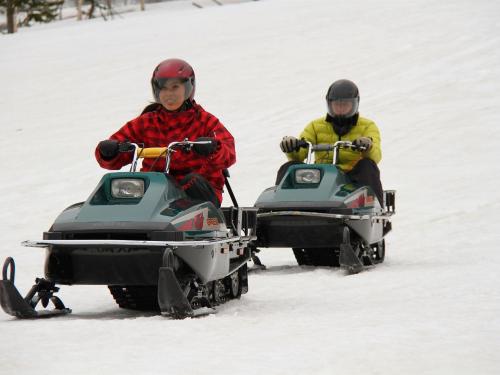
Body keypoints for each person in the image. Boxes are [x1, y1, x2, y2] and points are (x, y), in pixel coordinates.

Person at [95, 58, 235, 207]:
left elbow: (229, 152)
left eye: (175, 87)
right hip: (156, 190)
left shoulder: (205, 121)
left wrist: (214, 147)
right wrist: (109, 151)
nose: (169, 94)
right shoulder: (146, 122)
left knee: (191, 181)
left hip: (197, 191)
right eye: (163, 88)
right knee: (119, 188)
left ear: (188, 88)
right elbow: (119, 146)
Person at [278, 79, 384, 204]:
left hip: (352, 177)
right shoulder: (315, 126)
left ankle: (374, 208)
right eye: (337, 105)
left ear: (355, 104)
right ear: (329, 104)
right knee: (289, 167)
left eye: (345, 105)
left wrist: (367, 145)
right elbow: (302, 152)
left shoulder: (367, 126)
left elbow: (376, 156)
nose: (340, 109)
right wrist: (292, 146)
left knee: (368, 165)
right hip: (322, 176)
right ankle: (280, 205)